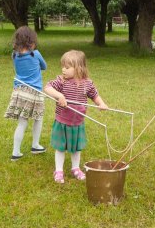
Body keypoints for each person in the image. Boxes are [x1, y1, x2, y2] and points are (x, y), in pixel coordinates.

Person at [44, 50, 108, 183]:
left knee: (76, 148)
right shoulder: (61, 81)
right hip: (63, 121)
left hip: (77, 122)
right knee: (60, 147)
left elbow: (94, 95)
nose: (63, 69)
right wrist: (59, 95)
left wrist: (101, 103)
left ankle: (75, 168)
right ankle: (59, 170)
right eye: (63, 66)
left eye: (67, 67)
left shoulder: (87, 83)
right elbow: (47, 88)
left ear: (78, 68)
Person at [5, 26, 47, 161]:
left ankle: (15, 152)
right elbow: (44, 67)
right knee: (38, 118)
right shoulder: (36, 54)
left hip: (19, 91)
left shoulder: (14, 55)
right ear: (32, 41)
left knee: (22, 123)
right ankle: (35, 145)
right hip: (34, 92)